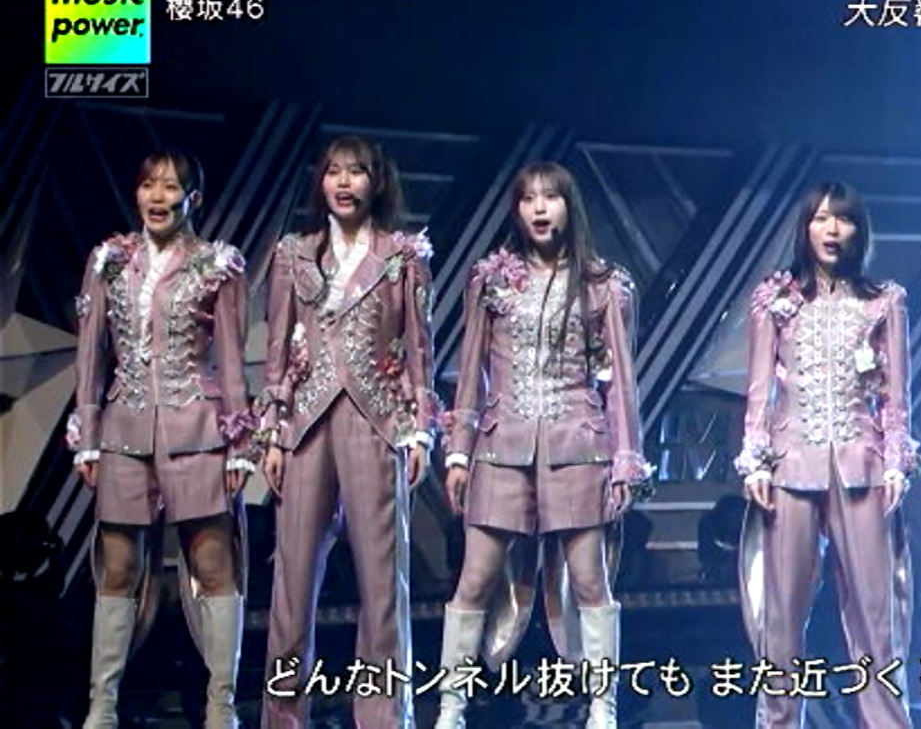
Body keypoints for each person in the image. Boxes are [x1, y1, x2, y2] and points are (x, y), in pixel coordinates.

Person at [435, 162, 651, 729]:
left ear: (568, 207)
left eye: (550, 197)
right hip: (500, 448)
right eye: (528, 198)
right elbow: (470, 373)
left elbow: (621, 383)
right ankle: (451, 709)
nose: (538, 207)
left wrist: (625, 460)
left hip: (578, 445)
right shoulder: (491, 281)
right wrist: (458, 452)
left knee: (590, 581)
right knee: (474, 579)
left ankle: (602, 707)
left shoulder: (604, 284)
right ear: (516, 210)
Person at [69, 150, 253, 729]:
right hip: (124, 431)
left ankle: (220, 704)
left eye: (170, 187)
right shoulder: (109, 261)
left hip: (197, 430)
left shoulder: (217, 265)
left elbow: (231, 361)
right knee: (118, 568)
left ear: (192, 199)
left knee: (212, 564)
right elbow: (91, 354)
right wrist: (88, 436)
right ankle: (103, 704)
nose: (157, 196)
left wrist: (239, 445)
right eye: (148, 184)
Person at [258, 136, 437, 728]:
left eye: (355, 171)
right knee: (291, 584)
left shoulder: (403, 255)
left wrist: (418, 431)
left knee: (382, 584)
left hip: (375, 423)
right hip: (306, 426)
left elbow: (418, 350)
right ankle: (283, 718)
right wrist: (274, 432)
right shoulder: (294, 254)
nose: (342, 182)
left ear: (376, 182)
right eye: (333, 171)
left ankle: (384, 717)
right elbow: (278, 352)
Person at [734, 180, 919, 728]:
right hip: (791, 464)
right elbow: (758, 389)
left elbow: (896, 395)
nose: (832, 229)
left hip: (862, 465)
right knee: (782, 614)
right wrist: (755, 459)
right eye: (820, 218)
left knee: (875, 614)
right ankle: (778, 721)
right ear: (805, 228)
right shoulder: (776, 300)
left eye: (843, 218)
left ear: (859, 229)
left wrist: (895, 461)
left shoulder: (883, 300)